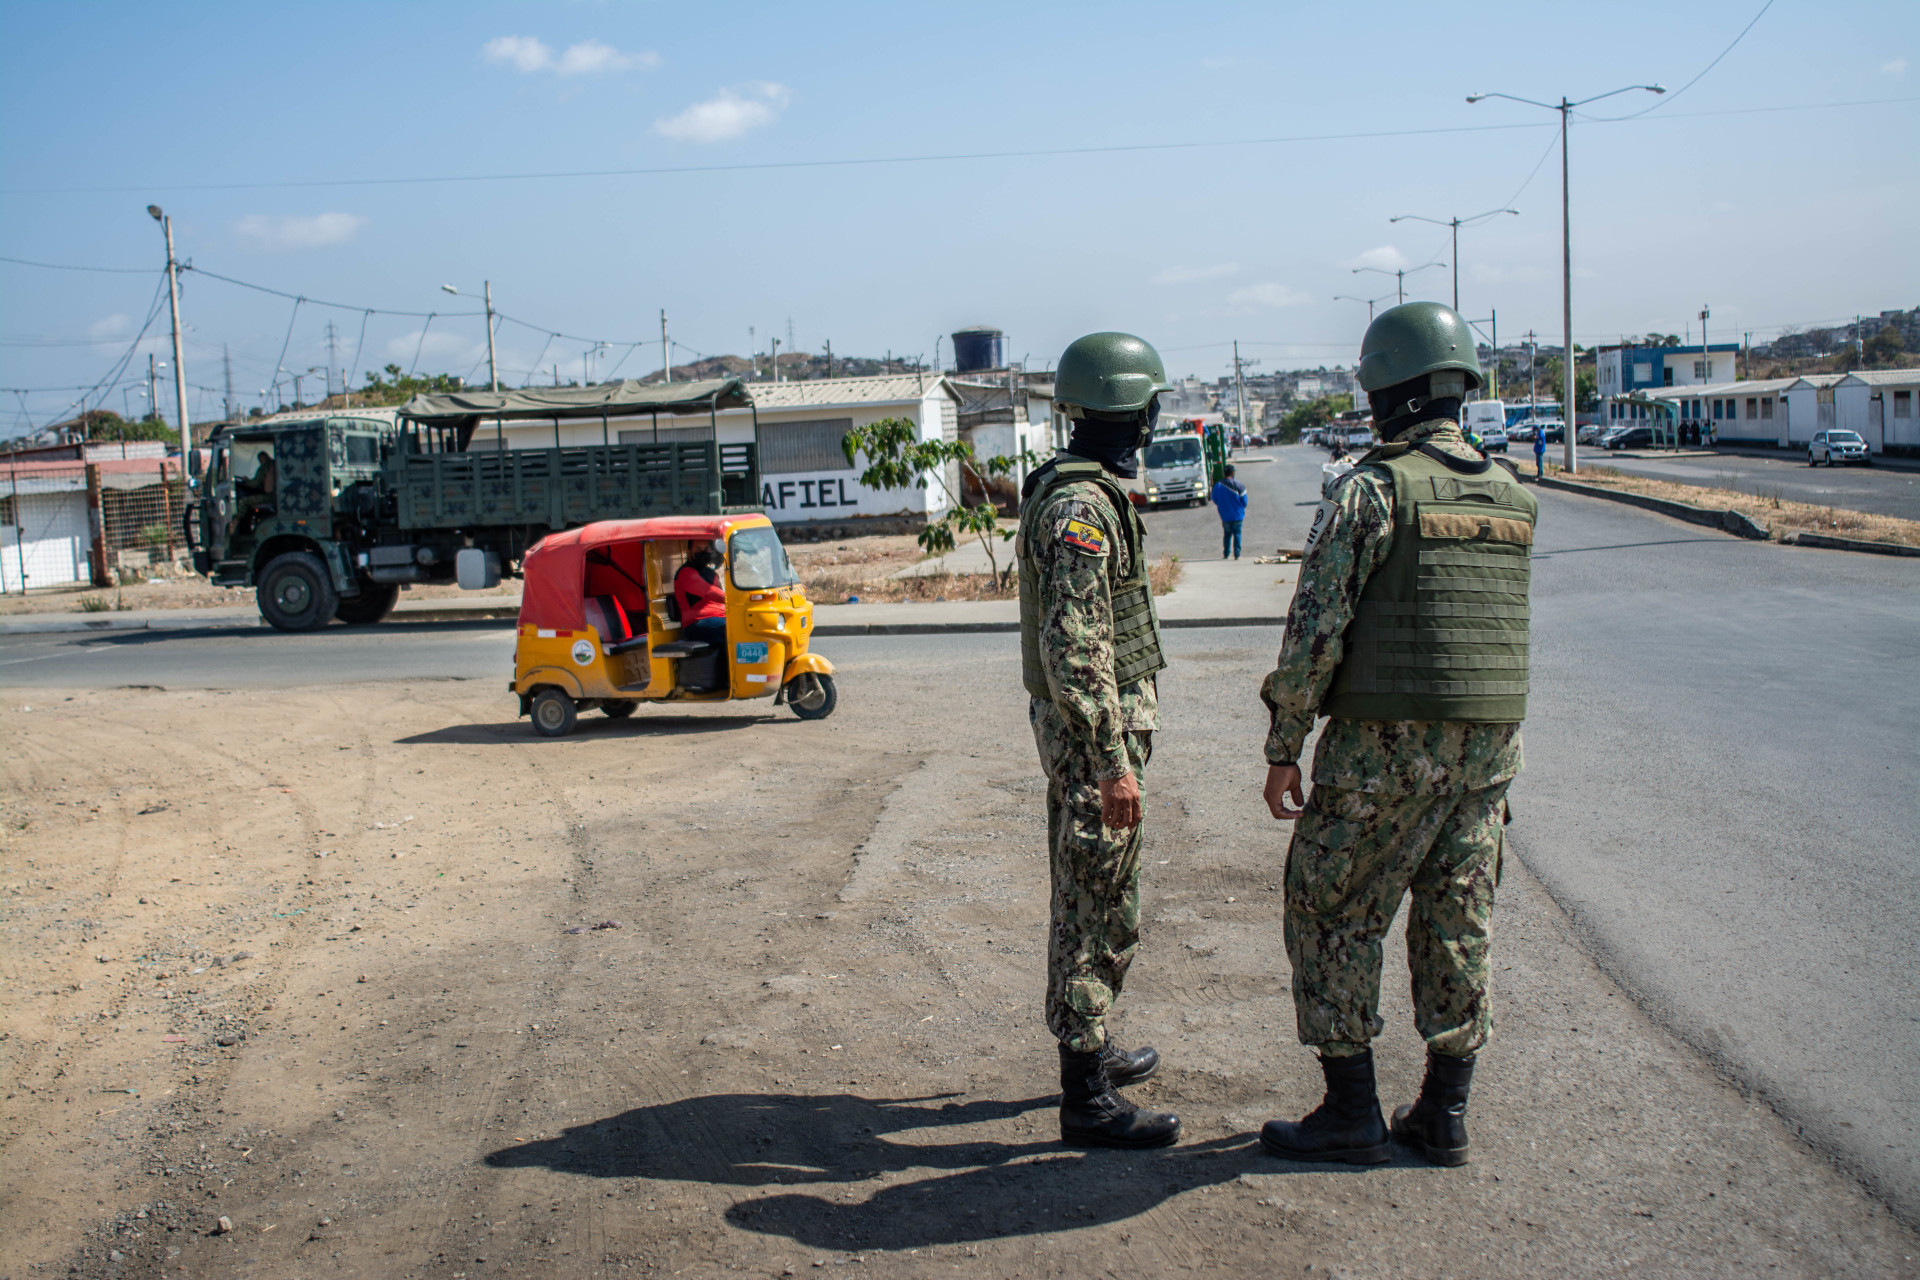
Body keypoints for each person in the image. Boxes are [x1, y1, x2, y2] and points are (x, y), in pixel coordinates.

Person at [1256, 300, 1536, 1169]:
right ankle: (1444, 1114)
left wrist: (1283, 745)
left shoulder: (1372, 489)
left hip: (1382, 757)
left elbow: (1316, 629)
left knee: (1331, 911)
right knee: (1458, 921)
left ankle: (1351, 1113)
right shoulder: (1512, 494)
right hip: (1486, 760)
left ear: (1388, 387)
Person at [1017, 330, 1181, 1149]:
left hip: (1098, 739)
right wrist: (1112, 762)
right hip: (1095, 746)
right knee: (1093, 903)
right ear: (1133, 413)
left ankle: (1094, 1044)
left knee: (1100, 893)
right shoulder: (1081, 508)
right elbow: (1075, 649)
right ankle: (1085, 1094)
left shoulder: (1083, 493)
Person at [673, 546, 728, 652]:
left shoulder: (710, 573)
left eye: (707, 548)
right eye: (698, 549)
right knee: (730, 629)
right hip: (696, 624)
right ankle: (730, 668)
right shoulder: (686, 573)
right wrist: (737, 598)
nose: (703, 552)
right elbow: (709, 592)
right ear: (689, 551)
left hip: (718, 619)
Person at [1211, 464, 1249, 560]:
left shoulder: (1218, 485)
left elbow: (1214, 499)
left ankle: (1226, 553)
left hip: (1225, 515)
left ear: (1224, 473)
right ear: (1233, 473)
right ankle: (1237, 554)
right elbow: (1244, 501)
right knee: (1237, 534)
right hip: (1237, 514)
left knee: (1227, 534)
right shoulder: (1238, 485)